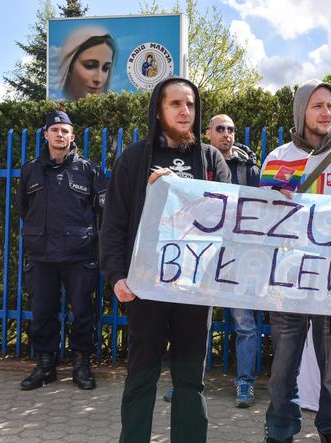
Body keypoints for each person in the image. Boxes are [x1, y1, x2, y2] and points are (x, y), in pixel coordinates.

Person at [99, 77, 231, 442]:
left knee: (191, 381)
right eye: (175, 104)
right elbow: (113, 224)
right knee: (141, 376)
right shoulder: (134, 158)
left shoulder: (211, 159)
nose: (184, 111)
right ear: (158, 109)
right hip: (146, 288)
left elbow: (226, 217)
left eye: (189, 104)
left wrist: (177, 187)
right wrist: (115, 276)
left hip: (194, 289)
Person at [260, 79, 331, 443]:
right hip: (289, 282)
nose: (326, 113)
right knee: (282, 373)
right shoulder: (278, 158)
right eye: (318, 106)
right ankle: (280, 432)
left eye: (330, 106)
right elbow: (262, 223)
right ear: (301, 111)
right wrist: (271, 201)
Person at [161, 114, 261, 408]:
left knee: (244, 322)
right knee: (194, 322)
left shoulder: (249, 168)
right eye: (221, 129)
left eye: (231, 129)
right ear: (207, 133)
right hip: (200, 254)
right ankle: (188, 382)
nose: (227, 133)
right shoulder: (194, 163)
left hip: (237, 255)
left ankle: (245, 384)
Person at [17, 110, 107, 391]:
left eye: (64, 130)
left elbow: (104, 212)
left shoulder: (89, 170)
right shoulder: (30, 170)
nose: (60, 134)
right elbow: (23, 209)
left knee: (82, 312)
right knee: (42, 312)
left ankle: (81, 364)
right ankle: (45, 365)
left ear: (72, 136)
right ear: (45, 135)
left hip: (79, 256)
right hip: (42, 256)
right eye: (54, 130)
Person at [56, 26, 115, 101]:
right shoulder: (57, 108)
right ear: (70, 66)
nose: (99, 79)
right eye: (90, 66)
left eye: (106, 68)